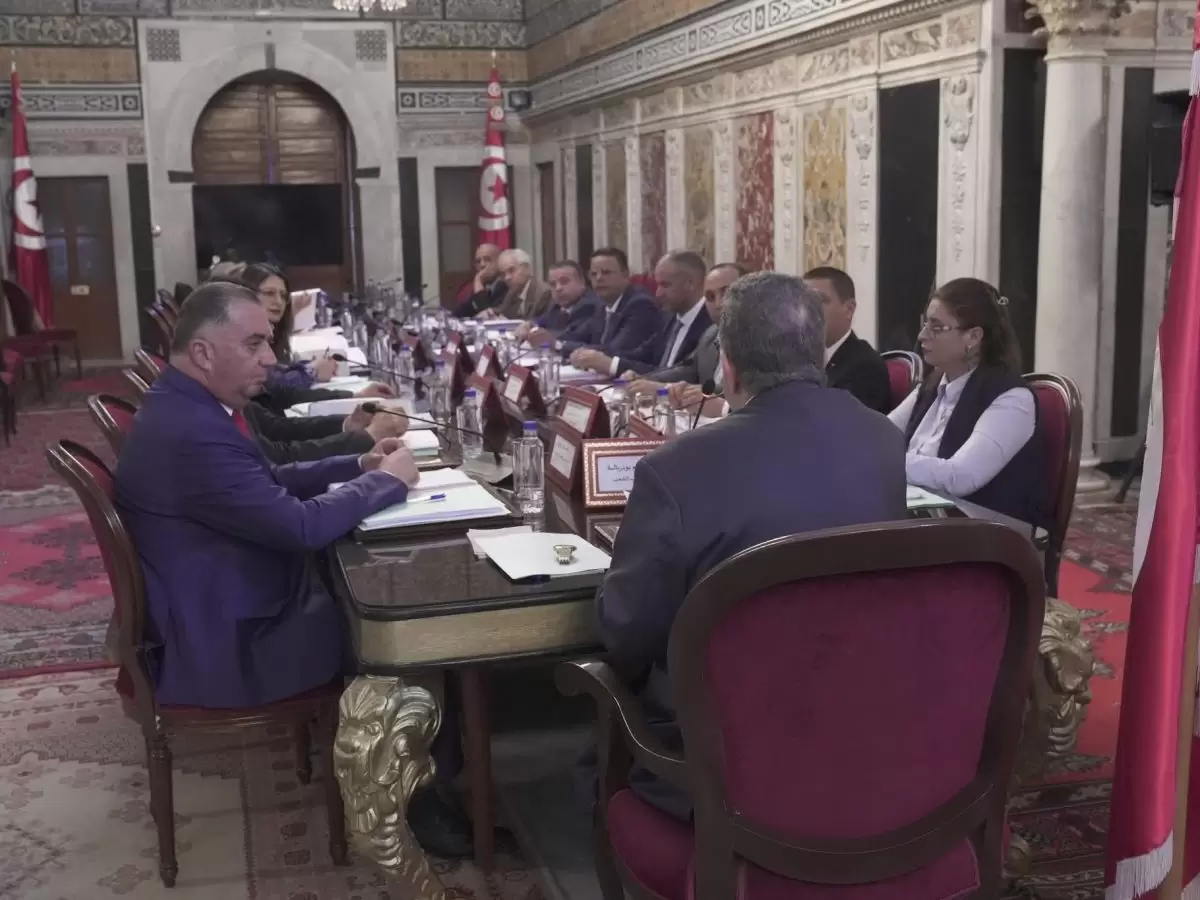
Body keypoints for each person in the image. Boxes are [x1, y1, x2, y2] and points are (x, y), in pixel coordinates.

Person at [116, 281, 473, 857]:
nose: (270, 358)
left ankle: (440, 769)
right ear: (203, 352)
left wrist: (359, 464)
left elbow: (265, 482)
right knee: (413, 626)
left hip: (217, 600)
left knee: (389, 583)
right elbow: (299, 527)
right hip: (234, 639)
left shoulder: (186, 405)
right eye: (254, 344)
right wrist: (386, 483)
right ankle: (423, 796)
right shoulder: (192, 433)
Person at [594, 272, 907, 820]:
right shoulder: (883, 438)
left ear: (729, 367)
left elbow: (625, 632)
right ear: (817, 351)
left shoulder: (675, 467)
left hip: (721, 762)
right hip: (860, 725)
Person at [889, 277, 1046, 527]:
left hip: (990, 532)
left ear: (973, 337)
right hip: (931, 520)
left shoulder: (1012, 399)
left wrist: (886, 461)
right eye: (925, 323)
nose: (922, 335)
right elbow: (882, 432)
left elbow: (962, 476)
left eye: (936, 327)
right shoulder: (932, 384)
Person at [575, 250, 712, 377]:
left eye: (665, 285)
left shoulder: (710, 324)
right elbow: (642, 354)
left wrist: (611, 365)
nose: (658, 294)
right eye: (657, 285)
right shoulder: (669, 317)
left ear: (690, 284)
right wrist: (600, 359)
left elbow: (680, 375)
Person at [627, 262, 745, 400]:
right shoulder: (710, 335)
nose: (718, 304)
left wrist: (668, 389)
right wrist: (644, 380)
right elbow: (688, 370)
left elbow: (747, 397)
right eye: (710, 297)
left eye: (726, 293)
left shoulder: (763, 339)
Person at [804, 266, 892, 413]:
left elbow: (842, 423)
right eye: (803, 302)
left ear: (849, 310)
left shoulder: (865, 367)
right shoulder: (799, 360)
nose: (806, 310)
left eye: (818, 301)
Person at [563, 247, 663, 370]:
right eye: (594, 274)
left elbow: (615, 350)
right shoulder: (601, 304)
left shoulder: (640, 305)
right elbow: (577, 335)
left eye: (606, 273)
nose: (599, 278)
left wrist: (569, 348)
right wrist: (558, 344)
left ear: (625, 275)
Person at [515, 259, 602, 347]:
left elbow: (572, 336)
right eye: (553, 284)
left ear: (581, 282)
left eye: (564, 282)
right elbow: (545, 320)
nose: (558, 288)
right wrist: (530, 324)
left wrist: (550, 339)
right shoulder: (556, 306)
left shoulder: (591, 306)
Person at [486, 248, 553, 321]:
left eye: (511, 270)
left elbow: (536, 322)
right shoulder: (512, 293)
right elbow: (503, 312)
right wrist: (490, 312)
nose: (507, 278)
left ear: (527, 268)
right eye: (503, 274)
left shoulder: (543, 293)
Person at [452, 243, 507, 317]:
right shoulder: (483, 285)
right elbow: (462, 311)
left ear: (500, 262)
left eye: (487, 260)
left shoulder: (507, 285)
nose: (482, 265)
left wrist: (478, 279)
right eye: (478, 261)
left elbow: (486, 314)